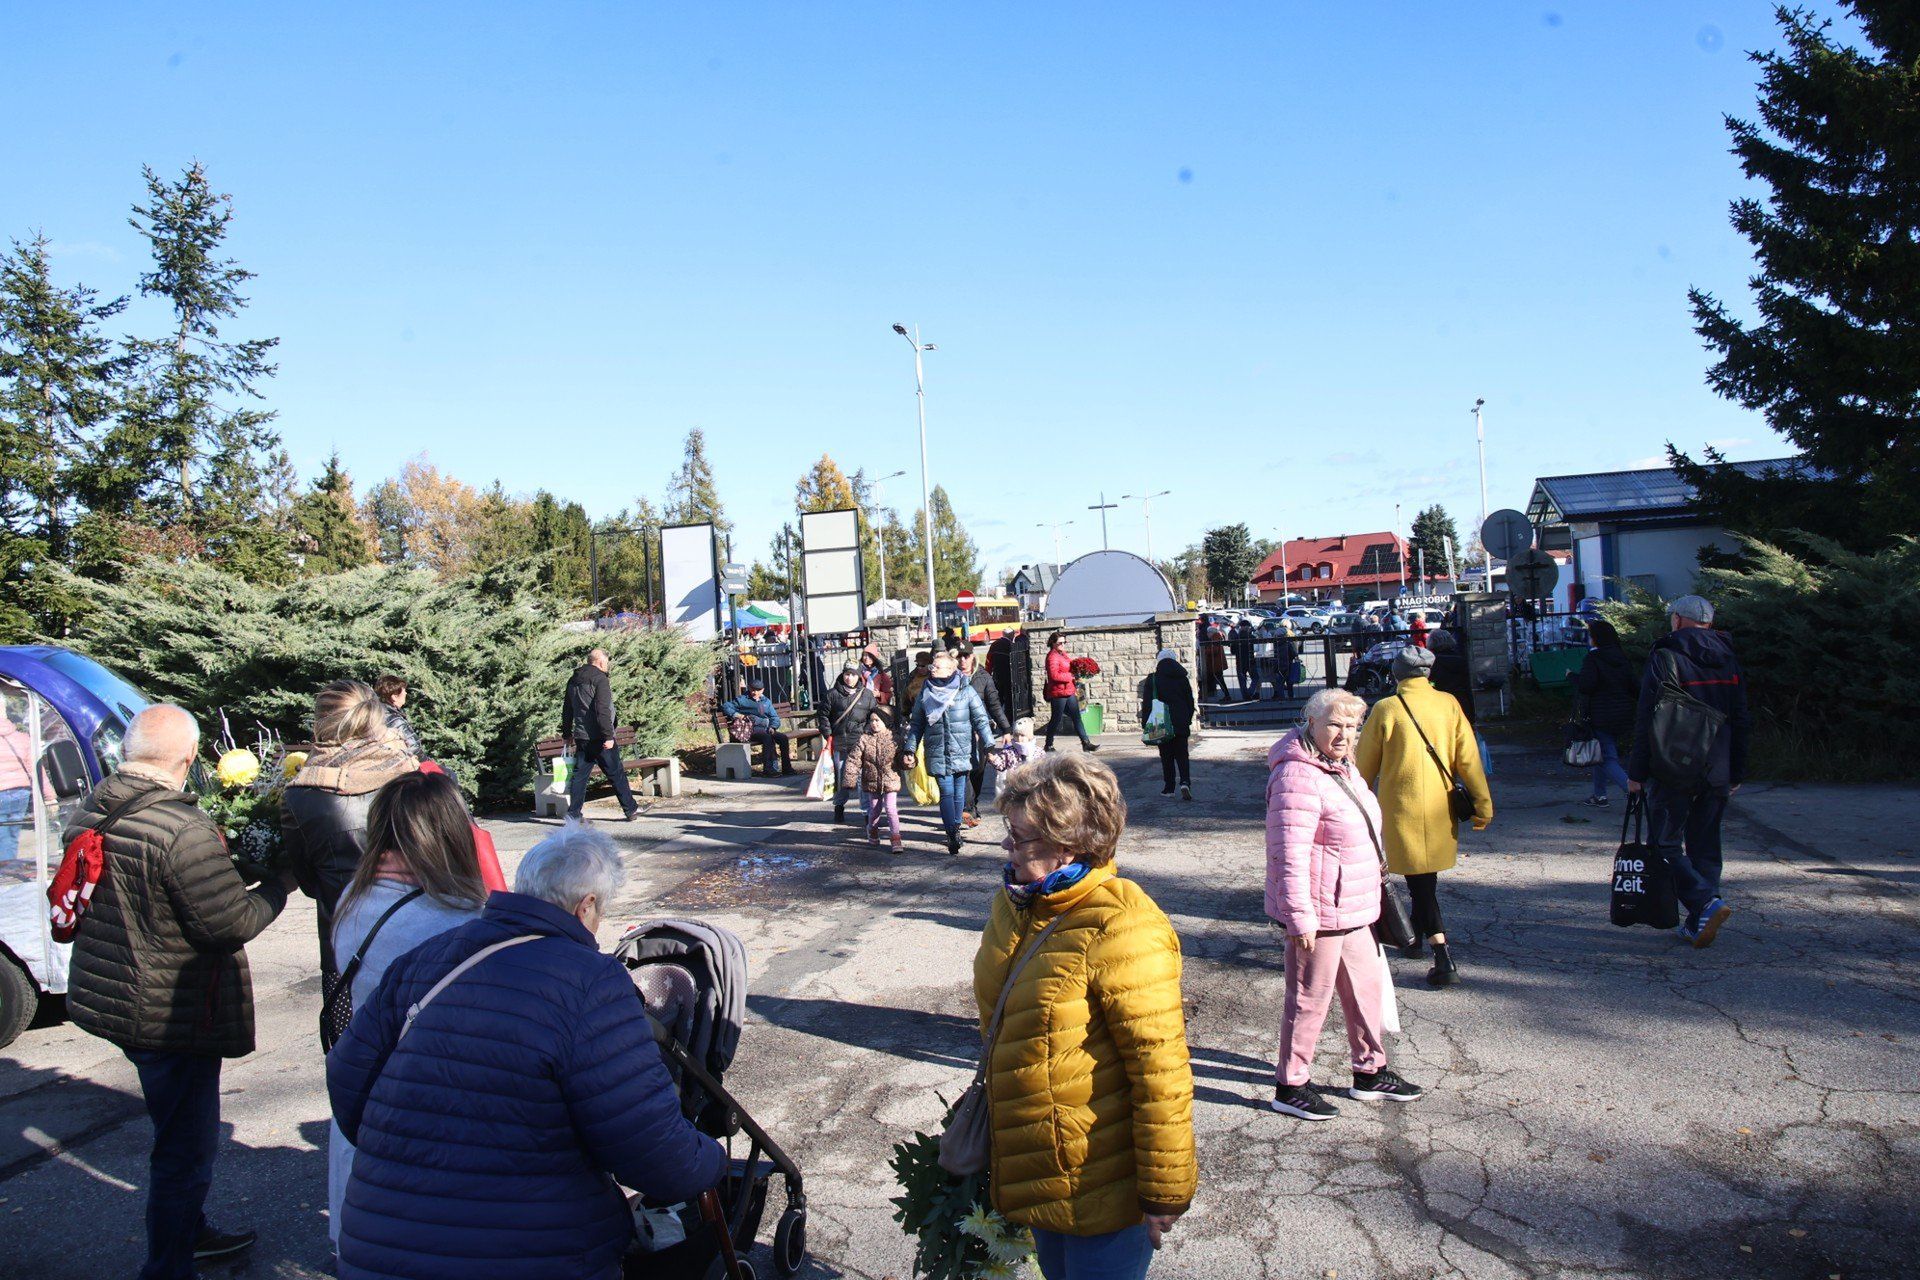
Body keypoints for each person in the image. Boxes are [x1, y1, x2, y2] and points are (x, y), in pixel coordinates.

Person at [327, 824, 728, 1280]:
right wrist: (709, 1159)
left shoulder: (428, 957)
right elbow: (648, 1144)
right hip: (530, 1254)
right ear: (587, 906)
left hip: (376, 1244)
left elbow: (347, 1080)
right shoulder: (590, 981)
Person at [65, 705, 290, 1278]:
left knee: (175, 1133)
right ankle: (168, 1265)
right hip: (170, 1012)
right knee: (184, 1150)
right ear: (190, 760)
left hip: (115, 991)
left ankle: (190, 1232)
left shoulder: (97, 804)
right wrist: (278, 886)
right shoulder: (181, 830)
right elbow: (229, 923)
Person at [976, 753, 1195, 1278]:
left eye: (1021, 838)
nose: (1006, 847)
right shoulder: (1018, 903)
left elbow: (1159, 1072)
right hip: (1036, 1167)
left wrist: (1165, 1190)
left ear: (1069, 844)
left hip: (1101, 1181)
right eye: (1009, 831)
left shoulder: (1124, 926)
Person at [326, 770, 488, 1249]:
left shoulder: (354, 899)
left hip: (364, 1086)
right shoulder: (454, 918)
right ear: (449, 832)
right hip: (432, 1104)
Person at [1266, 689, 1423, 1120]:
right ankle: (1291, 1083)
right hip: (1318, 909)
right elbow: (1287, 854)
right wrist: (1300, 918)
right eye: (1335, 724)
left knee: (1366, 991)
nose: (1345, 734)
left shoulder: (1343, 766)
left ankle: (1370, 1072)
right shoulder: (1295, 775)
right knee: (1308, 998)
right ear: (1311, 722)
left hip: (1355, 906)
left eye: (1353, 727)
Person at [1354, 646, 1493, 988]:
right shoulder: (1448, 704)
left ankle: (1442, 955)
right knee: (1424, 879)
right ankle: (1415, 939)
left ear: (1396, 674)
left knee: (1422, 884)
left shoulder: (1387, 709)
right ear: (1428, 673)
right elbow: (1469, 759)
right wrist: (1482, 804)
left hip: (1401, 809)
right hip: (1440, 807)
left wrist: (1354, 805)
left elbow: (1362, 768)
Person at [1627, 594, 1750, 948]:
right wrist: (1737, 770)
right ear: (1709, 623)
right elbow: (1741, 717)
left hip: (1674, 764)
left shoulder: (1666, 655)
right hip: (1719, 766)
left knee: (1663, 844)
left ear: (1678, 620)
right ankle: (1700, 919)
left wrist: (1637, 772)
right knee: (1706, 845)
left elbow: (1648, 718)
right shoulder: (1728, 658)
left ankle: (1703, 903)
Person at [284, 680, 420, 982]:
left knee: (351, 1029)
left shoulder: (301, 794)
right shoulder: (413, 776)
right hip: (417, 935)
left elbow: (307, 881)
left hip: (345, 944)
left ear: (321, 723)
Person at [903, 650, 993, 855]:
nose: (932, 669)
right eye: (932, 666)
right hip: (937, 750)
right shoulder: (925, 693)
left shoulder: (966, 691)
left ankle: (955, 825)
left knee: (960, 791)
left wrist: (989, 745)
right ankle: (951, 832)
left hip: (962, 749)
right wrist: (909, 749)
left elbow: (981, 719)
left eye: (937, 666)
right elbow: (917, 724)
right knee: (946, 791)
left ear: (951, 670)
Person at [561, 648, 641, 821]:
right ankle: (631, 809)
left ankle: (573, 815)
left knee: (580, 777)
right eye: (606, 662)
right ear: (600, 662)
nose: (607, 665)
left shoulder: (573, 680)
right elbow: (602, 710)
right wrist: (608, 736)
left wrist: (567, 733)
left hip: (582, 737)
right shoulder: (600, 679)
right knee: (616, 773)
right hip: (600, 737)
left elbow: (567, 709)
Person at [1575, 619, 1636, 808]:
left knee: (1606, 758)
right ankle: (1599, 794)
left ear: (1596, 638)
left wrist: (1571, 677)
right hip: (1622, 713)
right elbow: (1634, 686)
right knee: (1601, 754)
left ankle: (1633, 792)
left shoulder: (1593, 659)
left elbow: (1586, 686)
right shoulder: (1622, 657)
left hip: (1600, 713)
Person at [959, 643, 1012, 828]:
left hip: (980, 732)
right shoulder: (951, 677)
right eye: (959, 656)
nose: (962, 660)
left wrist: (1006, 729)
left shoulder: (983, 677)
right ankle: (967, 808)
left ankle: (973, 804)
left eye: (966, 656)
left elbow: (994, 705)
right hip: (958, 733)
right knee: (963, 770)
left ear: (973, 656)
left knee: (978, 770)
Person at [820, 660, 879, 823]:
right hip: (840, 742)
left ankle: (867, 814)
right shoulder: (832, 694)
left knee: (862, 780)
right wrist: (827, 733)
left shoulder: (867, 695)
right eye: (847, 674)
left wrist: (867, 732)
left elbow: (874, 715)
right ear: (842, 674)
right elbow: (823, 715)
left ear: (859, 676)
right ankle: (839, 806)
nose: (849, 678)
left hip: (860, 743)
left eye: (853, 675)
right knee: (842, 778)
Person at [842, 705, 904, 853]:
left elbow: (902, 757)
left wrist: (908, 761)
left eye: (877, 720)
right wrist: (850, 779)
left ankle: (896, 837)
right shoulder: (864, 739)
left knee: (891, 808)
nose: (874, 723)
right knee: (875, 810)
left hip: (890, 779)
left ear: (885, 721)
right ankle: (872, 829)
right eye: (871, 720)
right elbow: (853, 759)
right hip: (871, 780)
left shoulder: (895, 739)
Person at [1139, 646, 1196, 800]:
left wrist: (1145, 723)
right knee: (1182, 755)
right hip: (1180, 721)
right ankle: (1185, 782)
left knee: (1166, 756)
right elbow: (1189, 701)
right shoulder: (1182, 678)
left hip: (1161, 721)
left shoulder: (1153, 679)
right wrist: (1187, 719)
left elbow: (1147, 704)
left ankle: (1169, 788)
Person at [724, 677, 793, 777]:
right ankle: (768, 770)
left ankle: (787, 768)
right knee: (767, 738)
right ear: (749, 688)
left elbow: (774, 717)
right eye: (752, 689)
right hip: (750, 730)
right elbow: (726, 706)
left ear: (762, 690)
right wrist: (738, 715)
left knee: (783, 738)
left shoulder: (766, 701)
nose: (755, 692)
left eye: (758, 690)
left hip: (766, 728)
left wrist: (773, 727)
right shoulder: (742, 699)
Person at [1041, 631, 1097, 753]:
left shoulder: (1062, 654)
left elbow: (1069, 667)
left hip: (1069, 691)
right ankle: (1048, 745)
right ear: (1053, 643)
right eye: (1060, 643)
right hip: (1058, 693)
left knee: (1077, 717)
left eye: (1064, 642)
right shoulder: (1052, 657)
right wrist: (1071, 676)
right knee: (1056, 719)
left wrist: (1080, 669)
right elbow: (1054, 675)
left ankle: (1086, 743)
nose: (1063, 645)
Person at [1426, 630, 1477, 725]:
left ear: (1431, 642)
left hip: (1440, 703)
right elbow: (1466, 684)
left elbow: (1432, 683)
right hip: (1461, 701)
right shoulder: (1461, 659)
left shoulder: (1431, 663)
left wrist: (1431, 684)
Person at [372, 673, 425, 758]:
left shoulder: (375, 713)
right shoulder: (394, 720)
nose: (406, 693)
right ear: (394, 696)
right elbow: (414, 749)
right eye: (404, 690)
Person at [1197, 619, 1231, 702]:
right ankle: (1223, 695)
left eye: (1208, 633)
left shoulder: (1215, 637)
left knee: (1220, 680)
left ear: (1211, 632)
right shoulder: (1215, 637)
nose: (1207, 634)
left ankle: (1227, 696)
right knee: (1219, 680)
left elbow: (1214, 650)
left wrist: (1204, 651)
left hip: (1216, 663)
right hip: (1216, 663)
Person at [1232, 618, 1258, 701]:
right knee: (1255, 677)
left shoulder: (1236, 638)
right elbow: (1256, 649)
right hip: (1251, 660)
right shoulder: (1252, 637)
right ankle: (1250, 692)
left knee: (1242, 681)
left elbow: (1232, 651)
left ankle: (1245, 696)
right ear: (1247, 627)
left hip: (1240, 661)